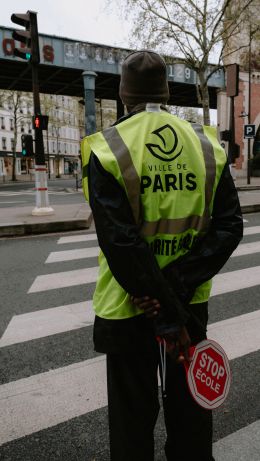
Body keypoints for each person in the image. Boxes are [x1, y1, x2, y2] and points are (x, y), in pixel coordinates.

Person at [81, 50, 243, 461]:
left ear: (122, 93)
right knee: (190, 417)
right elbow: (229, 227)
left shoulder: (107, 148)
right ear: (167, 92)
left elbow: (119, 242)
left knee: (132, 423)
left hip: (127, 306)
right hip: (189, 306)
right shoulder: (206, 145)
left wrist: (158, 300)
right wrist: (176, 295)